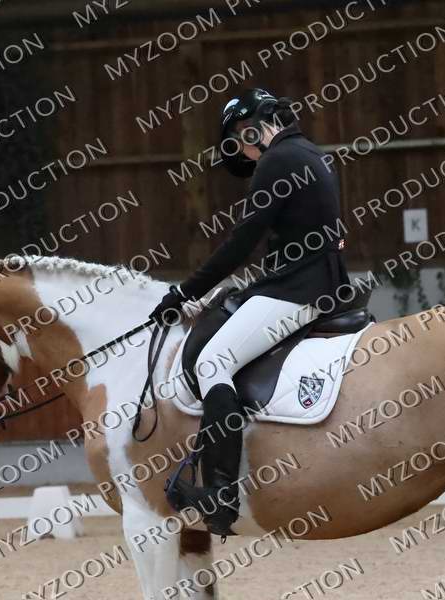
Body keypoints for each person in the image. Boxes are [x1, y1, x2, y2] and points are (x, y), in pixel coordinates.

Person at [151, 88, 351, 536]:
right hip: (317, 283)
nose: (243, 153)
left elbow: (241, 242)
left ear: (252, 129)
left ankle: (220, 492)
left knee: (212, 362)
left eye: (241, 142)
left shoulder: (277, 161)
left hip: (297, 290)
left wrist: (184, 292)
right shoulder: (311, 153)